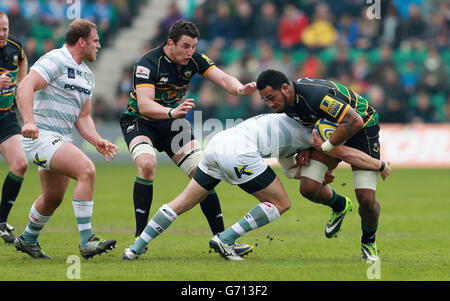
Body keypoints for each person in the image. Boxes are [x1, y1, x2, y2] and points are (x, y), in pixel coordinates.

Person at [122, 113, 390, 260]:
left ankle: (135, 248)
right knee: (281, 203)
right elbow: (342, 152)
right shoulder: (316, 132)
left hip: (218, 144)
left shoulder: (285, 124)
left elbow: (288, 169)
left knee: (182, 202)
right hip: (240, 153)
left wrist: (307, 171)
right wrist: (378, 165)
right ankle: (225, 240)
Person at [119, 19, 256, 256]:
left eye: (193, 46)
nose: (189, 52)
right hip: (140, 121)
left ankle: (222, 239)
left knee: (204, 173)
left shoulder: (195, 60)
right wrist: (171, 112)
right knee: (147, 164)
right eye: (185, 46)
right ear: (170, 43)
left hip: (172, 122)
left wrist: (239, 89)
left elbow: (223, 79)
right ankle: (139, 238)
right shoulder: (147, 63)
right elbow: (144, 105)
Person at [256, 69, 387, 263]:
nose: (270, 104)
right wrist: (306, 147)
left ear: (285, 88)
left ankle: (368, 242)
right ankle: (340, 205)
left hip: (362, 131)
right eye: (265, 100)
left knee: (366, 200)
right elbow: (311, 124)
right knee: (308, 188)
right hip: (332, 131)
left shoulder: (315, 95)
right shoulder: (287, 104)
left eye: (271, 98)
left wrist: (325, 147)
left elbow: (354, 121)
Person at [14, 19, 117, 259]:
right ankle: (86, 241)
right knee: (87, 170)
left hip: (59, 138)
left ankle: (28, 239)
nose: (99, 45)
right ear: (81, 41)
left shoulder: (87, 76)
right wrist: (29, 121)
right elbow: (25, 86)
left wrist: (96, 140)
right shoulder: (56, 59)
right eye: (95, 40)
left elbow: (84, 116)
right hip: (40, 135)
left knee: (52, 198)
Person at [0, 11, 29, 244]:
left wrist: (21, 83)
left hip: (6, 117)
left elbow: (23, 61)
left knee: (20, 164)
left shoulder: (14, 46)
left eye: (5, 29)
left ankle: (1, 222)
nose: (2, 33)